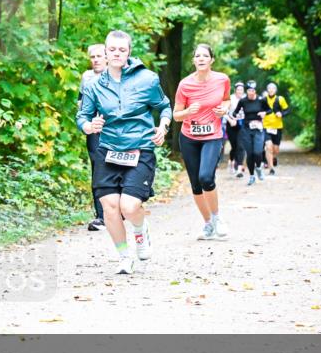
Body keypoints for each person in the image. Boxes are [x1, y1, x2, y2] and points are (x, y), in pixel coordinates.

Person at [77, 30, 172, 275]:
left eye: (122, 49)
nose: (117, 53)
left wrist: (162, 127)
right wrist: (89, 126)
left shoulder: (147, 79)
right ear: (105, 52)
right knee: (110, 206)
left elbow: (164, 107)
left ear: (129, 52)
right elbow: (82, 117)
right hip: (108, 150)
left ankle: (140, 230)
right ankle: (124, 257)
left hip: (140, 148)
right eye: (112, 50)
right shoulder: (94, 85)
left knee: (129, 207)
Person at [172, 44, 231, 240]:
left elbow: (226, 99)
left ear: (211, 59)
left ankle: (216, 217)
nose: (201, 58)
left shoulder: (222, 79)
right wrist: (188, 111)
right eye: (197, 56)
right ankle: (208, 224)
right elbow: (176, 115)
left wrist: (224, 109)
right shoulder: (185, 84)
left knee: (206, 177)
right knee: (196, 184)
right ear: (194, 60)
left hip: (212, 136)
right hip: (189, 137)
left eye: (205, 55)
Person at [79, 43, 106, 230]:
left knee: (117, 167)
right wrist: (86, 122)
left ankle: (119, 208)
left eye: (99, 56)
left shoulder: (116, 75)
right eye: (92, 57)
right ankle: (101, 216)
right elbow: (80, 102)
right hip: (94, 130)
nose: (95, 60)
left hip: (115, 130)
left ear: (107, 58)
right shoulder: (87, 77)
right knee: (98, 169)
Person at [229, 80, 271, 186]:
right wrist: (234, 117)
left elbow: (270, 110)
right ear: (246, 91)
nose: (251, 93)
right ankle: (252, 176)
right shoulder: (243, 101)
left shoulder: (261, 100)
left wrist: (264, 113)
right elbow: (235, 112)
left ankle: (258, 168)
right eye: (249, 91)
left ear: (255, 91)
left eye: (253, 90)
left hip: (258, 129)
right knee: (250, 154)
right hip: (246, 130)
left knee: (258, 152)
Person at [262, 82, 290, 175]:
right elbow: (258, 110)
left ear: (275, 90)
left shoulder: (280, 99)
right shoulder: (263, 100)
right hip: (266, 126)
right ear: (267, 90)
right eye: (269, 88)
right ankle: (271, 168)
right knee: (268, 146)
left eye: (273, 88)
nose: (271, 90)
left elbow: (287, 110)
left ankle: (273, 158)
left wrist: (282, 114)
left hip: (277, 127)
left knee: (275, 149)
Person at [225, 81, 246, 177]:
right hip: (232, 124)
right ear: (235, 90)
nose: (240, 91)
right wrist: (230, 120)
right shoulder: (230, 99)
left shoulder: (246, 98)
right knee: (234, 147)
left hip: (243, 124)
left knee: (241, 146)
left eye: (241, 90)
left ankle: (239, 169)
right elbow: (224, 112)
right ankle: (231, 161)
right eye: (238, 89)